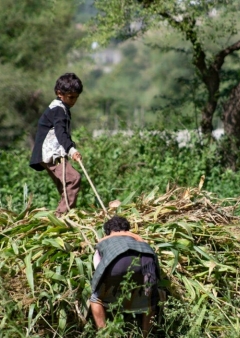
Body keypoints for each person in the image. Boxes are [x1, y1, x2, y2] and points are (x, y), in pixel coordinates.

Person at [90, 216, 160, 336]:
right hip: (147, 260)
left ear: (108, 230)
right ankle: (146, 335)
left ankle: (104, 334)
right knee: (151, 299)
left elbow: (98, 267)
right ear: (127, 228)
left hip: (118, 262)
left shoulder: (104, 240)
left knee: (96, 298)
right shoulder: (137, 238)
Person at [29, 73, 83, 217]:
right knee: (73, 179)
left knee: (66, 184)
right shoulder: (58, 110)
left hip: (54, 153)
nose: (74, 101)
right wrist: (71, 150)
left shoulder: (61, 108)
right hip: (50, 153)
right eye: (71, 97)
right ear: (60, 93)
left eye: (76, 97)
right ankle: (61, 217)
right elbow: (60, 132)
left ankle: (65, 214)